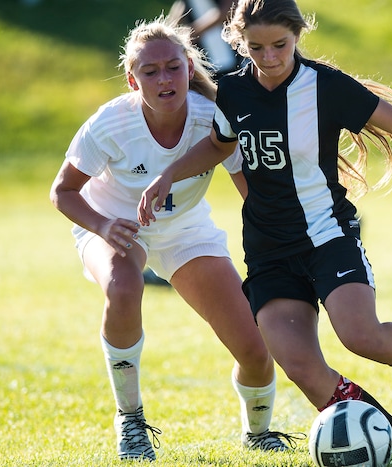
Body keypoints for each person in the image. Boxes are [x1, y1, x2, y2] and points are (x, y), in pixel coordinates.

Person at [137, 0, 392, 462]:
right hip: (269, 253)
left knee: (362, 336)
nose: (268, 58)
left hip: (328, 237)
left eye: (280, 46)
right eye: (256, 48)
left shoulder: (327, 88)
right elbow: (217, 145)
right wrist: (168, 174)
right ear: (239, 41)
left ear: (298, 36)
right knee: (301, 366)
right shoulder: (233, 92)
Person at [49, 15, 300, 461]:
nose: (164, 78)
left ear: (188, 66)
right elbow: (62, 192)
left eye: (173, 67)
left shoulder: (214, 118)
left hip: (186, 228)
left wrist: (285, 248)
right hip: (114, 224)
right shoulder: (110, 124)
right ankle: (130, 421)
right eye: (150, 72)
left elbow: (254, 196)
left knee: (256, 349)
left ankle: (259, 433)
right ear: (133, 80)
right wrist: (104, 226)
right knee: (124, 287)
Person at [168, 0, 241, 78]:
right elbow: (182, 6)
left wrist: (194, 31)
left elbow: (231, 8)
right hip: (203, 62)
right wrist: (171, 32)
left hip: (228, 56)